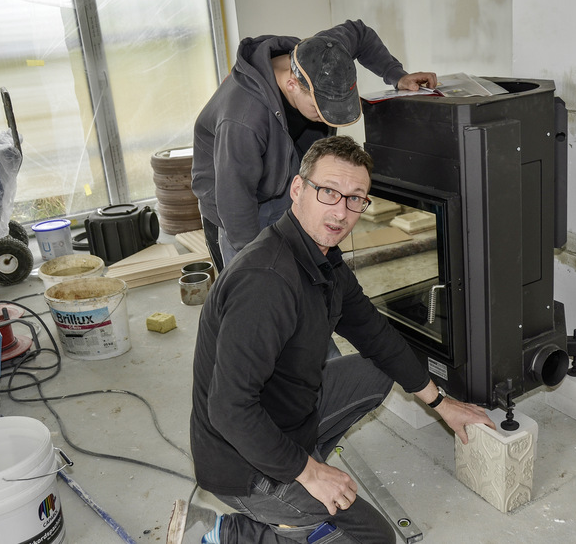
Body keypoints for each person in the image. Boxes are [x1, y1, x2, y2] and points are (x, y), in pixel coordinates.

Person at [187, 135, 494, 544]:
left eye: (355, 198)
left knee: (376, 369)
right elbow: (228, 410)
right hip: (241, 460)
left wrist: (442, 403)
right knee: (375, 539)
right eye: (328, 192)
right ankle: (226, 533)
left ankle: (298, 477)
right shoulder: (266, 281)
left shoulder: (322, 257)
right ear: (298, 190)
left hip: (283, 414)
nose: (341, 211)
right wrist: (309, 472)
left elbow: (375, 335)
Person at [191, 19, 437, 272]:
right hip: (239, 203)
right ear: (292, 85)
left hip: (286, 178)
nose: (328, 117)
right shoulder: (243, 120)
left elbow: (360, 34)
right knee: (256, 287)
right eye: (320, 110)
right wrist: (258, 268)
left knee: (309, 274)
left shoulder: (325, 55)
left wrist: (397, 75)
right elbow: (235, 200)